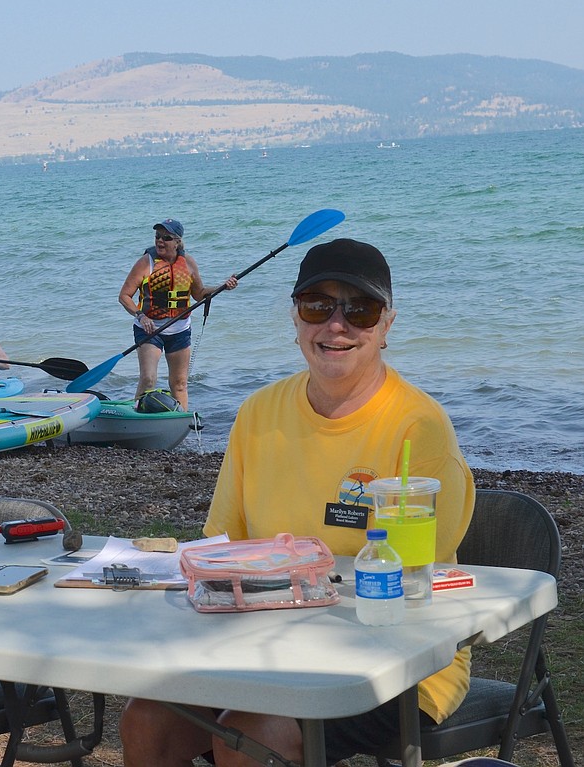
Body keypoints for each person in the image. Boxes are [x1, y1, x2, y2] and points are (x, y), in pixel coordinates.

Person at [120, 238, 476, 766]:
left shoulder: (419, 427)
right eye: (317, 306)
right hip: (259, 643)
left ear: (386, 326)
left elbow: (412, 578)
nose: (336, 326)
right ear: (295, 318)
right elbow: (221, 547)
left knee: (249, 733)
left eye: (360, 310)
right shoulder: (259, 412)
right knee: (146, 718)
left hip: (391, 657)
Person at [117, 218, 238, 410]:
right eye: (157, 237)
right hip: (149, 330)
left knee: (179, 383)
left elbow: (199, 294)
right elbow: (124, 296)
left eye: (166, 237)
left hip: (180, 330)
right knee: (149, 379)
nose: (160, 241)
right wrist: (141, 315)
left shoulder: (188, 263)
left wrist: (223, 287)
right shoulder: (145, 263)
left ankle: (180, 424)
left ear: (177, 242)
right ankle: (138, 417)